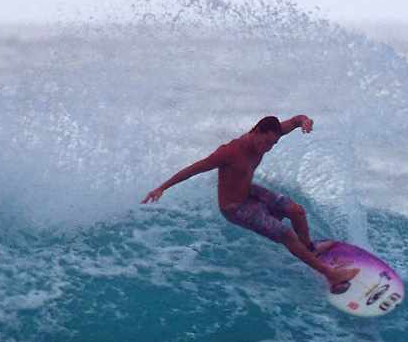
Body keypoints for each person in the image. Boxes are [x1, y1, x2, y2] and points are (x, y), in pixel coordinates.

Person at [142, 115, 359, 289]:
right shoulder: (229, 152)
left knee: (297, 211)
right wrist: (162, 187)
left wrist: (305, 121)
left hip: (249, 192)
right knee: (286, 235)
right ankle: (331, 275)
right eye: (266, 142)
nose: (268, 148)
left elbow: (295, 121)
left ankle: (310, 249)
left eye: (273, 144)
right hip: (235, 208)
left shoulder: (270, 133)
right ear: (256, 132)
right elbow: (194, 169)